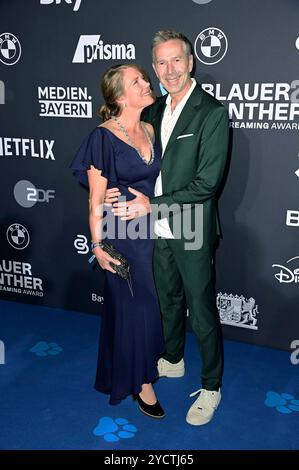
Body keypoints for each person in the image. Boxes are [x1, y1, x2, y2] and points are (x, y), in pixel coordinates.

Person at [107, 30, 229, 426]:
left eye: (177, 60)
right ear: (154, 67)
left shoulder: (211, 112)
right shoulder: (154, 109)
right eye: (161, 62)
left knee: (202, 309)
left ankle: (211, 387)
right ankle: (173, 359)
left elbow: (208, 184)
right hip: (153, 224)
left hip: (189, 222)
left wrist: (152, 204)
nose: (169, 69)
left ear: (191, 63)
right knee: (168, 300)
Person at [70, 64, 165, 419]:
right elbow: (95, 198)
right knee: (132, 308)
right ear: (120, 96)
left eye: (143, 77)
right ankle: (141, 383)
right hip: (119, 234)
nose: (146, 83)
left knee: (144, 308)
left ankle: (124, 371)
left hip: (147, 231)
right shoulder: (102, 137)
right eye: (136, 81)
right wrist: (98, 246)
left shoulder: (150, 129)